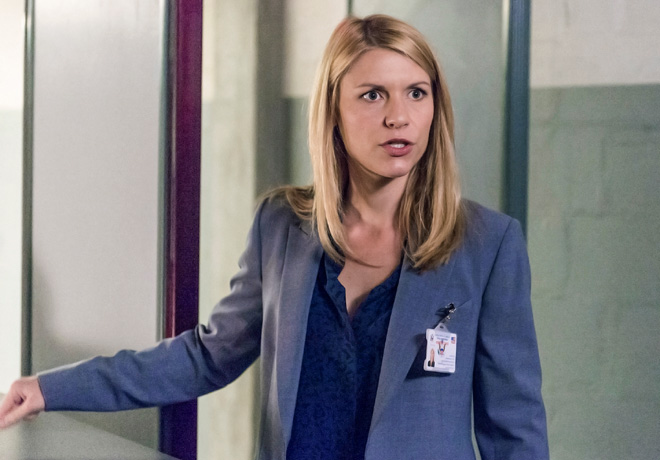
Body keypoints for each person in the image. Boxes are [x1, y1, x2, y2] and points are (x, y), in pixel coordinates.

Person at [0, 14, 549, 460]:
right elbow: (207, 355)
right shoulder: (283, 224)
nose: (399, 117)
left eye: (417, 93)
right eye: (373, 95)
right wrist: (50, 388)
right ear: (333, 111)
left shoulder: (487, 245)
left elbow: (513, 427)